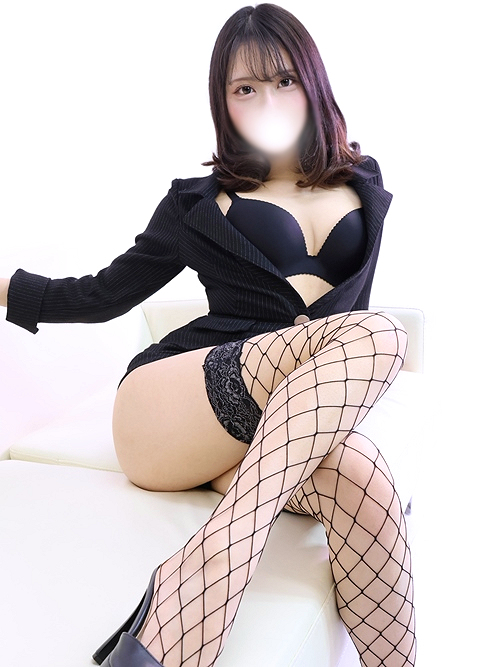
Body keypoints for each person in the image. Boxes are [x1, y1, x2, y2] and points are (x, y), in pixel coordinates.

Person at [0, 4, 416, 666]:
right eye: (244, 88)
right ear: (222, 101)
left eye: (283, 80)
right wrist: (5, 286)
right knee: (380, 333)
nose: (267, 102)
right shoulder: (196, 204)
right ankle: (221, 558)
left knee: (368, 485)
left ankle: (183, 604)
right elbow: (100, 294)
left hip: (276, 427)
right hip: (175, 408)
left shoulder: (364, 184)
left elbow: (341, 327)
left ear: (312, 81)